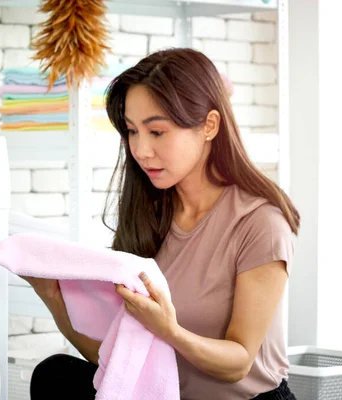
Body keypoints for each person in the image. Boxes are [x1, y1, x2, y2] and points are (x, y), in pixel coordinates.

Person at [24, 48, 300, 400]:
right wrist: (53, 301)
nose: (140, 150)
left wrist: (169, 331)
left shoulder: (259, 222)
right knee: (55, 375)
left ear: (209, 126)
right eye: (131, 131)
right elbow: (119, 362)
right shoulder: (150, 214)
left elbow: (238, 363)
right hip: (163, 394)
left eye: (156, 132)